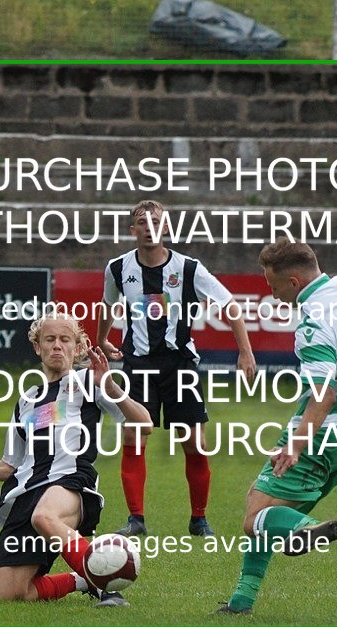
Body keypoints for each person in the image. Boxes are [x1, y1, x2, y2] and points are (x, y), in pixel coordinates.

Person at [217, 238, 337, 614]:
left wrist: (296, 445)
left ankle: (309, 529)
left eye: (273, 286)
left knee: (255, 518)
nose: (271, 296)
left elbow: (325, 394)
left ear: (295, 282)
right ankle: (241, 602)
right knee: (265, 506)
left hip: (323, 435)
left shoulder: (313, 323)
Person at [0, 311, 152, 607]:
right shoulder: (27, 400)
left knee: (44, 516)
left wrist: (111, 387)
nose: (56, 345)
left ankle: (106, 588)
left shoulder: (89, 382)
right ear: (37, 347)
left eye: (65, 339)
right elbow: (8, 466)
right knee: (7, 593)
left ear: (77, 348)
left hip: (69, 481)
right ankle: (81, 579)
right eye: (49, 339)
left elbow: (144, 424)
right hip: (27, 492)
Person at [97, 199, 256, 538]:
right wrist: (101, 341)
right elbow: (107, 304)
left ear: (166, 228)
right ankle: (136, 519)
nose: (149, 227)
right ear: (133, 230)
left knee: (193, 441)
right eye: (141, 222)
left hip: (180, 364)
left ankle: (199, 519)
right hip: (137, 363)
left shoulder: (188, 268)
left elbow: (229, 305)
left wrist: (245, 351)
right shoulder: (117, 268)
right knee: (133, 435)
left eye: (155, 221)